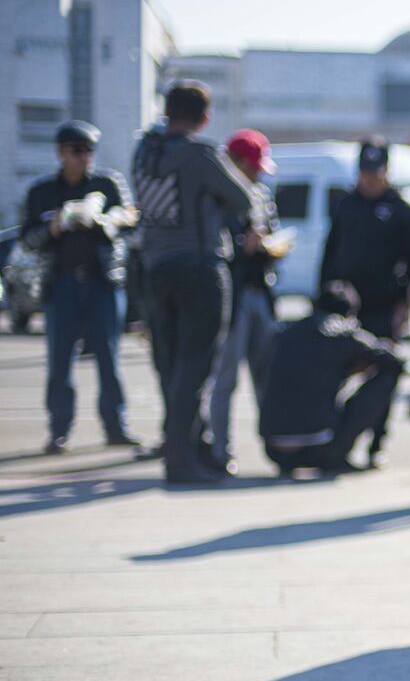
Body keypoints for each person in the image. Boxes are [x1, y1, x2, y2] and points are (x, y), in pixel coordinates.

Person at [131, 81, 255, 484]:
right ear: (204, 117)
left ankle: (194, 449)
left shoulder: (144, 153)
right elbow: (244, 198)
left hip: (155, 268)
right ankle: (181, 459)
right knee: (196, 366)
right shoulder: (200, 155)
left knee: (171, 365)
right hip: (200, 268)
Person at [21, 120, 140, 454]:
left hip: (102, 283)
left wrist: (102, 222)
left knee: (108, 358)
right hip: (60, 285)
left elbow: (130, 224)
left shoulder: (107, 184)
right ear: (61, 153)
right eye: (77, 150)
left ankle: (116, 427)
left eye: (89, 150)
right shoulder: (42, 192)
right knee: (60, 362)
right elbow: (28, 240)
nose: (84, 157)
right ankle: (59, 431)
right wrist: (54, 227)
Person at [319, 137, 410, 465]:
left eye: (376, 174)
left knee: (384, 373)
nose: (370, 180)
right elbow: (330, 252)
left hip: (384, 306)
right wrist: (321, 296)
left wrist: (406, 304)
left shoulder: (400, 209)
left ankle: (377, 442)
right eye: (365, 173)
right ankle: (336, 439)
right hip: (344, 307)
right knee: (338, 372)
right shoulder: (346, 205)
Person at [259, 281, 402, 475]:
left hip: (274, 449)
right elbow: (394, 359)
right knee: (388, 376)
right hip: (320, 448)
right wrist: (357, 366)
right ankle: (338, 454)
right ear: (349, 315)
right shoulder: (341, 330)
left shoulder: (285, 332)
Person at [207, 129, 284, 473]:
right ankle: (220, 451)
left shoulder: (262, 194)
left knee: (267, 377)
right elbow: (215, 246)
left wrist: (270, 245)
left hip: (261, 291)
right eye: (252, 167)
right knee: (226, 378)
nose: (256, 174)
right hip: (231, 294)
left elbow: (273, 231)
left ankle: (278, 448)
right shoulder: (217, 196)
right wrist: (242, 246)